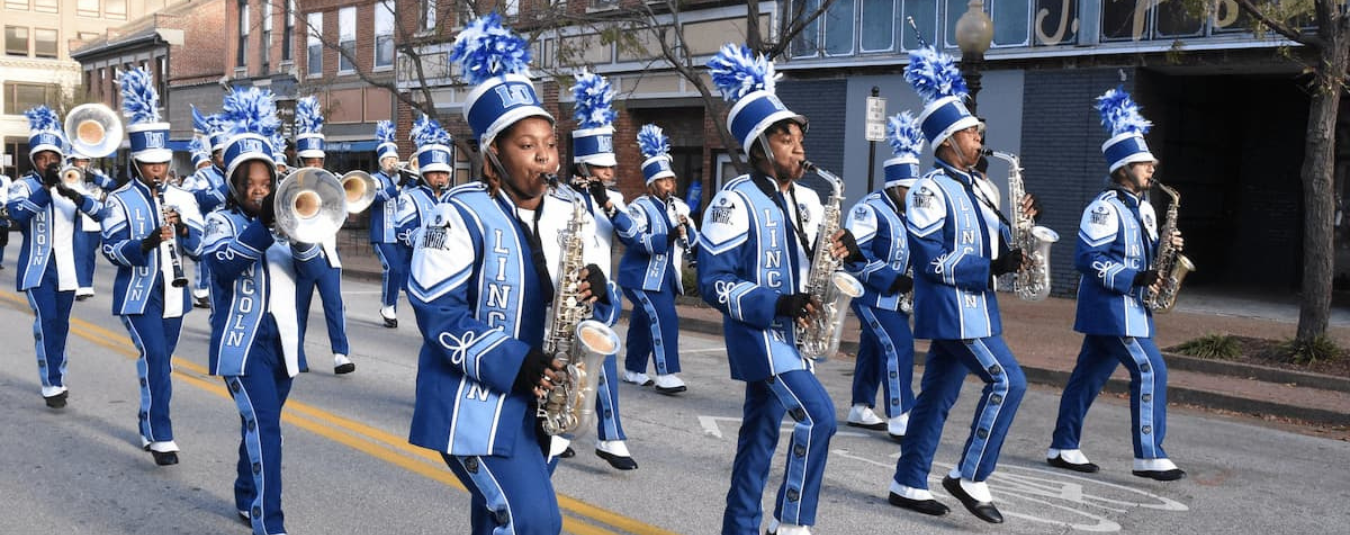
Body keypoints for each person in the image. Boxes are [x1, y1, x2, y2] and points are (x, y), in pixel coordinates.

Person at [406, 14, 615, 534]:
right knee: (536, 522)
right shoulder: (458, 212)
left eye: (549, 142)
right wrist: (516, 363)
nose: (545, 156)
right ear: (493, 153)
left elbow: (587, 310)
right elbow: (437, 314)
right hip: (474, 406)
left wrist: (597, 288)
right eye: (527, 145)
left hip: (544, 401)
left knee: (497, 523)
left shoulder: (569, 210)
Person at [700, 44, 862, 535]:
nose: (799, 147)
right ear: (761, 147)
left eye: (798, 139)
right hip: (759, 337)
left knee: (758, 438)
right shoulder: (734, 201)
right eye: (786, 139)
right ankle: (791, 523)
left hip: (797, 338)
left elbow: (819, 261)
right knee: (821, 419)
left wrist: (846, 249)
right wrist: (779, 303)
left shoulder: (812, 199)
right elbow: (713, 283)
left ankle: (739, 526)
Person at [888, 45, 1041, 524]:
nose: (979, 137)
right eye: (971, 132)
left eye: (977, 132)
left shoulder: (984, 187)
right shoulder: (929, 190)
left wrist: (1022, 231)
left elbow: (998, 248)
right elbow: (930, 261)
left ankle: (907, 482)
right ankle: (970, 475)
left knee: (935, 398)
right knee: (1008, 381)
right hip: (953, 311)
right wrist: (991, 268)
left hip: (979, 308)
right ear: (947, 143)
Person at [1046, 87, 1187, 482]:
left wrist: (1165, 247)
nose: (1151, 168)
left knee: (1087, 378)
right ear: (1123, 167)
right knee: (1152, 370)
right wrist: (1135, 277)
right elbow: (1087, 259)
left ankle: (1062, 445)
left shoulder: (1144, 208)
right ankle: (1149, 454)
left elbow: (1140, 253)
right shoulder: (1102, 209)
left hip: (1132, 308)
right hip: (1111, 308)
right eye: (1144, 163)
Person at [203, 87, 323, 535]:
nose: (260, 190)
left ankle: (243, 492)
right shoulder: (222, 221)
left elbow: (316, 277)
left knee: (259, 424)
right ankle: (268, 523)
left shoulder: (290, 222)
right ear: (234, 186)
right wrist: (261, 225)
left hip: (284, 345)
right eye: (250, 184)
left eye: (266, 183)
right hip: (243, 343)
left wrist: (299, 234)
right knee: (267, 430)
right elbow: (221, 266)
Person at [100, 67, 205, 465]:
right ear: (137, 163)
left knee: (162, 363)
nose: (158, 170)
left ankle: (147, 421)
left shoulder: (183, 197)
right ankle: (162, 433)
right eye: (150, 164)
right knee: (157, 359)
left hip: (174, 294)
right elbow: (111, 251)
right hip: (138, 295)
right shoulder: (120, 200)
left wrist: (183, 230)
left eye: (162, 163)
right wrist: (147, 241)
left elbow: (200, 249)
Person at [6, 106, 105, 409]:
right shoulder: (25, 185)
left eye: (52, 158)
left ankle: (57, 373)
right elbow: (16, 213)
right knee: (47, 320)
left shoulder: (72, 181)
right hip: (38, 269)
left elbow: (100, 212)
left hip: (67, 268)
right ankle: (51, 382)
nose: (48, 163)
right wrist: (46, 190)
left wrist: (76, 194)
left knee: (61, 324)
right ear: (33, 160)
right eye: (42, 158)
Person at [842, 111, 924, 441]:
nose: (915, 194)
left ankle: (861, 407)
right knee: (898, 345)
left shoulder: (910, 211)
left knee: (874, 348)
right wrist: (892, 279)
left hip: (896, 298)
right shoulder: (869, 209)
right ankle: (900, 414)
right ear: (896, 186)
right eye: (910, 188)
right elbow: (853, 256)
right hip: (871, 295)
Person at [620, 123, 698, 396]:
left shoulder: (680, 207)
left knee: (643, 320)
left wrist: (689, 230)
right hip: (640, 275)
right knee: (665, 318)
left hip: (665, 276)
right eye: (664, 181)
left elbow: (694, 241)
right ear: (652, 184)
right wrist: (667, 236)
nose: (670, 186)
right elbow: (634, 239)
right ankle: (666, 375)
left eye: (671, 181)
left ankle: (634, 369)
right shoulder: (639, 207)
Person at [291, 95, 354, 375]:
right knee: (298, 308)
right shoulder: (289, 184)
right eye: (309, 159)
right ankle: (296, 355)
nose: (315, 164)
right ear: (300, 159)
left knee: (334, 305)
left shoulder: (332, 182)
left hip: (328, 254)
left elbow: (344, 215)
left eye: (319, 159)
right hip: (301, 255)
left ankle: (341, 354)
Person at [187, 106, 230, 308]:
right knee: (206, 263)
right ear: (213, 156)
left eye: (226, 153)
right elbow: (203, 198)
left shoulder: (235, 173)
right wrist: (227, 187)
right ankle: (201, 292)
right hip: (209, 223)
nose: (224, 158)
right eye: (220, 154)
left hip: (231, 226)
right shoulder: (203, 175)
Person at [370, 120, 410, 328]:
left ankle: (391, 307)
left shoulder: (400, 179)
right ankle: (387, 306)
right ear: (381, 162)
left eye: (395, 158)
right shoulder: (375, 179)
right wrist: (400, 185)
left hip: (398, 234)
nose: (393, 162)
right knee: (392, 268)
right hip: (381, 234)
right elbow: (374, 199)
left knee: (400, 271)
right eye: (388, 160)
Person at [69, 150, 116, 300]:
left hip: (95, 219)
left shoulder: (96, 173)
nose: (82, 163)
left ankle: (87, 284)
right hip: (78, 217)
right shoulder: (68, 173)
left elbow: (113, 185)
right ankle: (80, 286)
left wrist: (94, 178)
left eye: (85, 160)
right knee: (79, 253)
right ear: (73, 160)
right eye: (79, 160)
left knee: (90, 254)